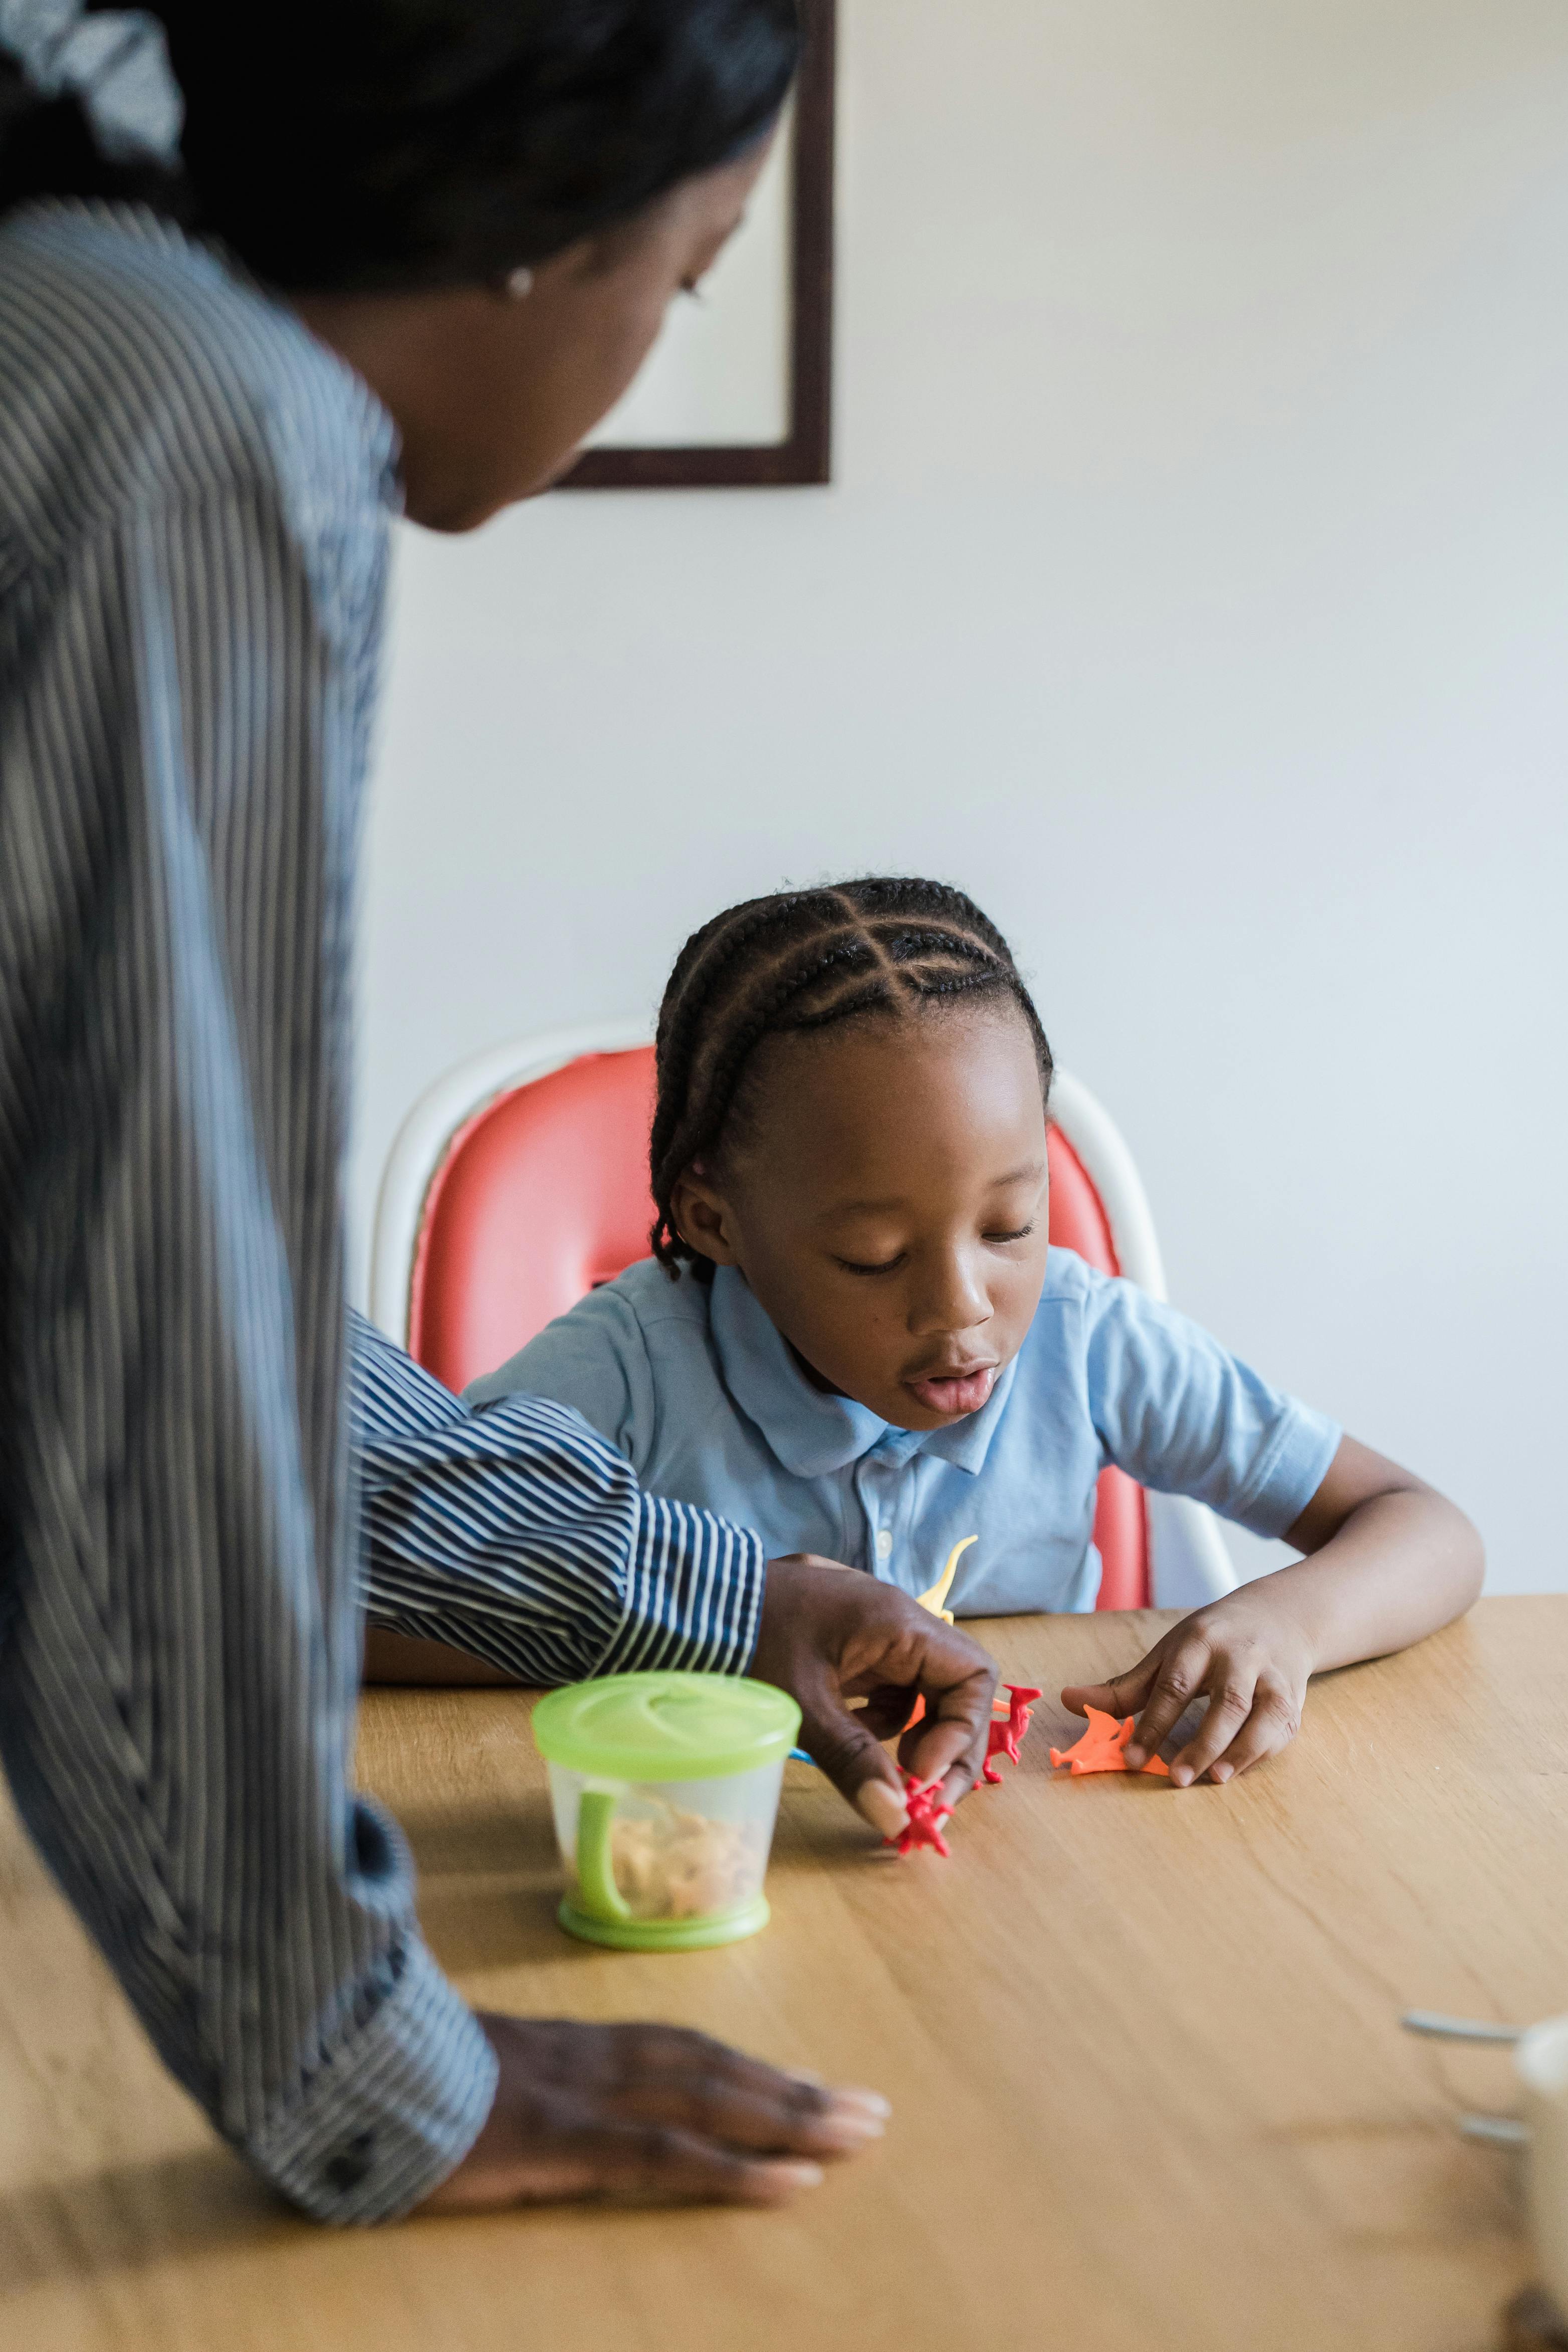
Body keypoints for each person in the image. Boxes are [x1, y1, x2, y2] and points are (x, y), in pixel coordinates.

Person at [0, 4, 998, 2229]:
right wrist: (357, 2051)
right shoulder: (173, 411)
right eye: (695, 260)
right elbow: (144, 1331)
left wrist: (719, 1594)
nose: (660, 327)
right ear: (549, 227)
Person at [401, 876, 1481, 1788]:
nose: (962, 1307)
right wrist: (701, 1617)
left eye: (1009, 1225)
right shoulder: (626, 1369)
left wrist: (1286, 1624)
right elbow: (362, 1595)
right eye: (872, 1255)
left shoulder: (1084, 1338)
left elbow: (1425, 1527)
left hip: (1034, 1867)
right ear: (714, 1218)